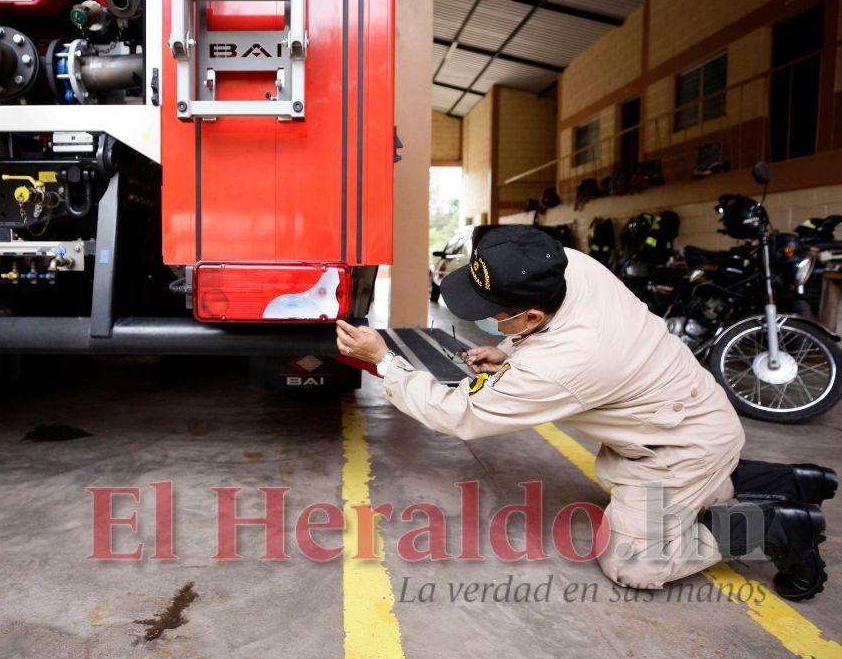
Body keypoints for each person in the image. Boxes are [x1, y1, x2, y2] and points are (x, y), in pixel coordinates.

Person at [336, 225, 835, 600]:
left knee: (635, 564)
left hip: (678, 445)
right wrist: (510, 349)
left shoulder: (569, 363)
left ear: (530, 314)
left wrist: (385, 361)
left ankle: (775, 525)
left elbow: (458, 414)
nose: (486, 319)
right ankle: (793, 481)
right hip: (687, 413)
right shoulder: (568, 265)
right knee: (680, 489)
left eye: (493, 312)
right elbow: (554, 333)